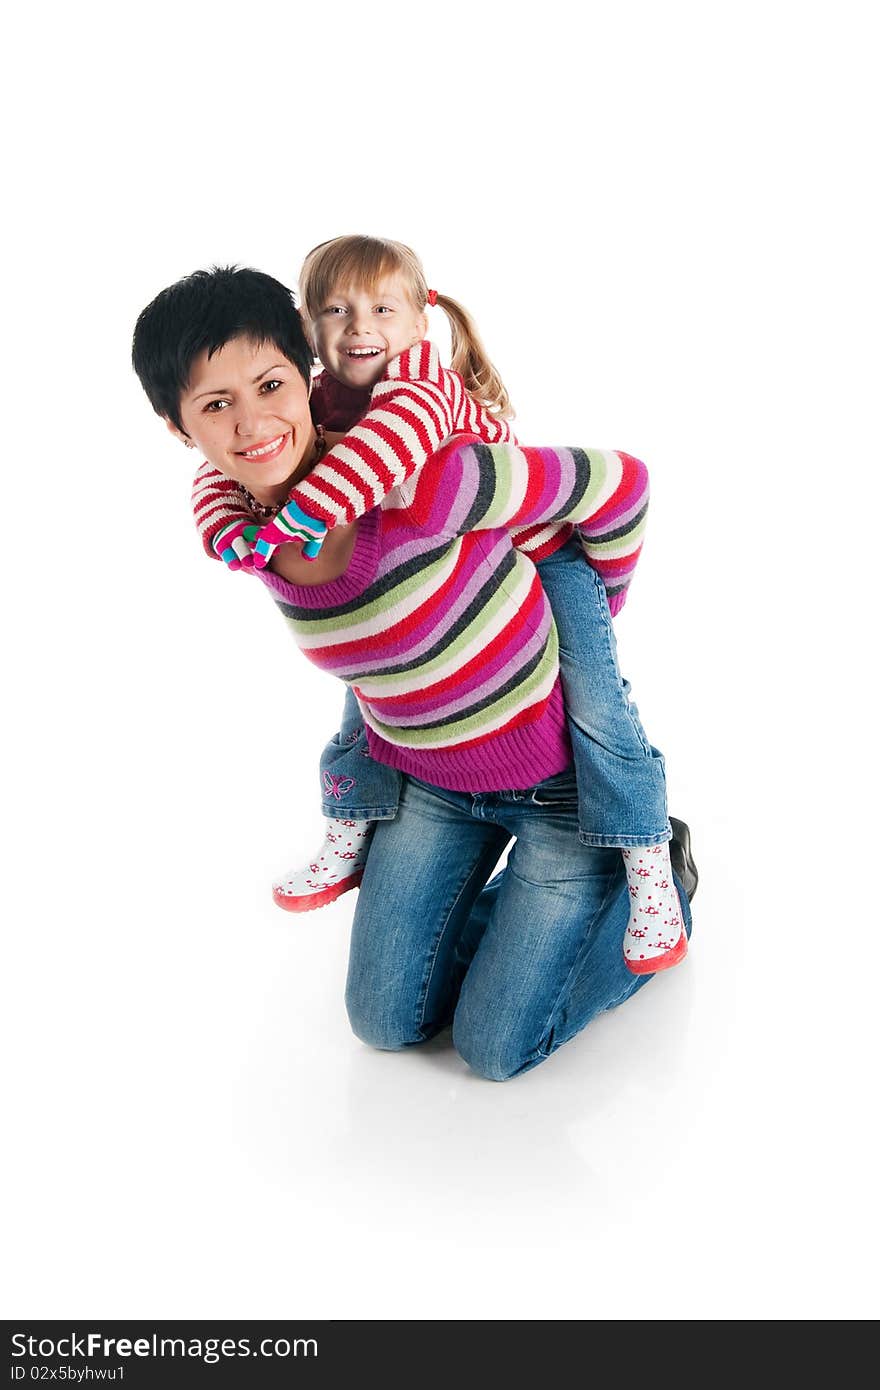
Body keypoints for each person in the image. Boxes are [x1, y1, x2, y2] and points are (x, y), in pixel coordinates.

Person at [132, 265, 696, 1080]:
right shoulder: (245, 524)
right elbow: (218, 487)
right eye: (216, 406)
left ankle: (655, 880)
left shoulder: (427, 482)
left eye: (269, 385)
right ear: (179, 426)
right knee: (386, 1025)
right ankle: (523, 930)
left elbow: (620, 486)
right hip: (427, 783)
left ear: (308, 375)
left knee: (494, 1051)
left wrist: (590, 617)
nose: (254, 423)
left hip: (557, 793)